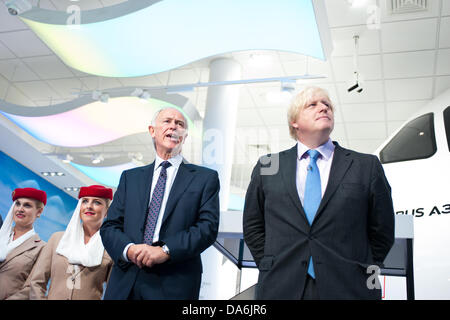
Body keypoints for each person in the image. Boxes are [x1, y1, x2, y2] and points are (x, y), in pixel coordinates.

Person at [243, 86, 395, 300]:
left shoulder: (366, 165)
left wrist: (362, 266)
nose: (323, 108)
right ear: (294, 121)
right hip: (281, 286)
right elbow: (253, 225)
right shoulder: (269, 165)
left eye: (327, 104)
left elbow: (383, 229)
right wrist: (271, 264)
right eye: (312, 104)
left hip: (349, 287)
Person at [101, 107, 220, 300]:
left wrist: (165, 250)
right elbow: (110, 226)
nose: (173, 126)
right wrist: (129, 250)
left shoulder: (205, 178)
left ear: (185, 136)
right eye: (167, 121)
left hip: (174, 284)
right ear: (152, 131)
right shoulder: (130, 178)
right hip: (126, 282)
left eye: (179, 124)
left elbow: (207, 228)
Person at [16, 185, 113, 300]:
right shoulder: (57, 239)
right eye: (85, 201)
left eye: (97, 202)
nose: (89, 206)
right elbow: (37, 281)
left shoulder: (110, 246)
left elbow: (114, 291)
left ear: (106, 211)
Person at [0, 188, 46, 300]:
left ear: (39, 212)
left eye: (27, 205)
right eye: (17, 204)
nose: (20, 209)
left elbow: (31, 287)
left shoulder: (42, 248)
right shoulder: (2, 235)